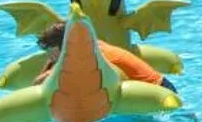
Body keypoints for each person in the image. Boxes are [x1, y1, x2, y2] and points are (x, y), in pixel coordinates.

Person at [35, 21, 175, 91]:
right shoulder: (86, 46)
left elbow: (39, 83)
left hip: (158, 90)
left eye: (51, 50)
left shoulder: (95, 56)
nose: (49, 55)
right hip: (152, 87)